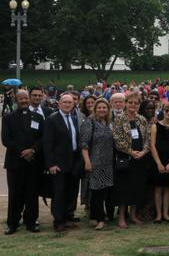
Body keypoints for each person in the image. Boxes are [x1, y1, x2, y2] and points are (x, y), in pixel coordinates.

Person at [2, 90, 44, 234]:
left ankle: (31, 222)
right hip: (15, 162)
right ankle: (12, 223)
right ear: (16, 99)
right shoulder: (8, 118)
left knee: (32, 193)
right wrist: (22, 151)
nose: (24, 101)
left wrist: (32, 150)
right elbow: (6, 139)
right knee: (15, 194)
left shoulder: (38, 117)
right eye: (21, 99)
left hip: (33, 162)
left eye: (26, 98)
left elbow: (42, 138)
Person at [43, 93, 83, 232]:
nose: (67, 104)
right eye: (65, 102)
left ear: (73, 104)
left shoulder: (74, 118)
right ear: (59, 104)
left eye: (70, 102)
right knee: (59, 193)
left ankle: (67, 217)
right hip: (58, 163)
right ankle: (58, 221)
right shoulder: (52, 120)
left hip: (73, 161)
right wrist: (51, 164)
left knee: (71, 192)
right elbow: (47, 145)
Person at [112, 93, 151, 228]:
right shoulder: (119, 119)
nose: (133, 105)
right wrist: (130, 151)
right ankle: (122, 217)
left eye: (136, 103)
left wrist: (144, 151)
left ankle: (133, 215)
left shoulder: (142, 120)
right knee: (124, 189)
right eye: (130, 103)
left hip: (140, 159)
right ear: (126, 103)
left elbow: (148, 139)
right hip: (126, 158)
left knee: (137, 188)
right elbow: (117, 139)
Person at [80, 98, 115, 230]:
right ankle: (99, 219)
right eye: (99, 107)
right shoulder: (89, 123)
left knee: (104, 190)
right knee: (96, 191)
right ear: (95, 109)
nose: (102, 110)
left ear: (108, 109)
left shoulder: (108, 123)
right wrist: (87, 162)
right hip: (95, 162)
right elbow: (83, 144)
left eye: (104, 108)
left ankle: (95, 216)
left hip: (108, 163)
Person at [149, 101, 169, 223]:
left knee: (167, 188)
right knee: (158, 188)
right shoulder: (155, 126)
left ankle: (166, 214)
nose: (168, 113)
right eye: (167, 110)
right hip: (158, 160)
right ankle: (158, 214)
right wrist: (158, 163)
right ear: (163, 111)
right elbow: (152, 145)